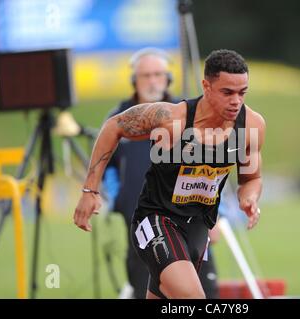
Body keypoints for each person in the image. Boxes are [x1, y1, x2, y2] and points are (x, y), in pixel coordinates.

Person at [74, 49, 265, 299]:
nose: (236, 101)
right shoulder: (173, 118)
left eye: (242, 93)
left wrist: (249, 198)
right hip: (156, 219)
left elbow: (251, 178)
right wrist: (90, 190)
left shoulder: (251, 125)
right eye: (227, 92)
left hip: (198, 227)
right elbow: (113, 127)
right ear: (206, 86)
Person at [102, 47, 219, 298]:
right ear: (135, 80)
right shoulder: (118, 118)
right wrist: (118, 198)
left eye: (158, 74)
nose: (153, 81)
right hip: (142, 227)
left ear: (168, 79)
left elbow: (211, 168)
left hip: (190, 224)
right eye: (146, 75)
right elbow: (106, 167)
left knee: (202, 294)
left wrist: (216, 216)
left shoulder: (189, 113)